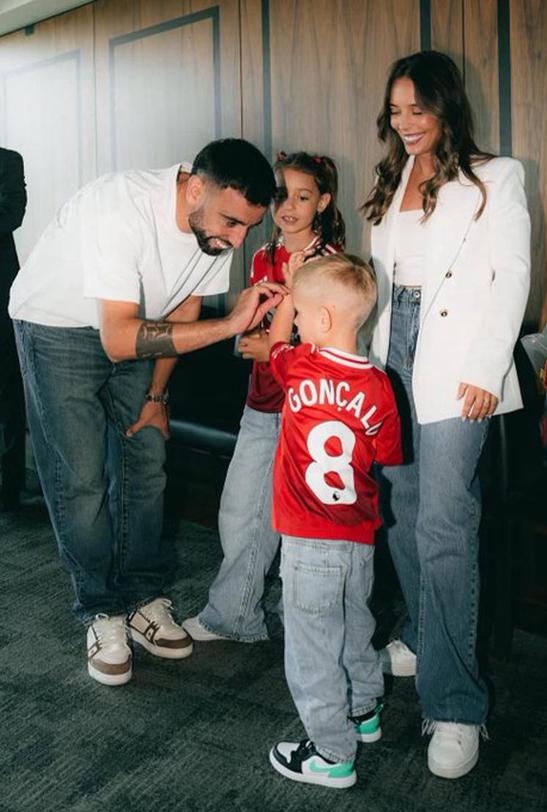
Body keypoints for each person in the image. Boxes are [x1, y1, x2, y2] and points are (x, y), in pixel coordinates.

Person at [9, 138, 285, 686]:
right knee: (81, 477)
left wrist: (157, 398)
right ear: (196, 188)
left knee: (146, 463)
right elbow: (118, 340)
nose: (237, 239)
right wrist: (231, 325)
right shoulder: (121, 207)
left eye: (247, 227)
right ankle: (100, 609)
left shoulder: (214, 227)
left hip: (139, 327)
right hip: (57, 327)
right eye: (232, 223)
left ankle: (141, 598)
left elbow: (183, 307)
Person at [363, 51, 531, 778]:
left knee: (444, 521)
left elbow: (511, 276)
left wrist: (487, 368)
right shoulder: (393, 177)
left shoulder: (496, 177)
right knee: (401, 509)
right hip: (391, 351)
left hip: (459, 362)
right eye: (396, 111)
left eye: (418, 109)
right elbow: (383, 283)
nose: (406, 123)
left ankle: (457, 705)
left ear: (446, 106)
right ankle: (424, 632)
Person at [183, 151, 344, 643]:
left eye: (302, 197)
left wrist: (275, 346)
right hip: (261, 401)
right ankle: (236, 616)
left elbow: (330, 341)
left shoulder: (330, 262)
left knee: (297, 523)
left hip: (305, 410)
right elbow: (249, 327)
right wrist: (248, 343)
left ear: (322, 203)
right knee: (241, 510)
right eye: (281, 196)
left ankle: (298, 624)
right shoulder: (260, 255)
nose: (289, 207)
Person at [266, 254, 402, 789]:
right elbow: (386, 455)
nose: (296, 321)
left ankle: (331, 751)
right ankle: (364, 710)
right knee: (355, 626)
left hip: (307, 539)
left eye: (301, 313)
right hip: (358, 537)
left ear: (322, 319)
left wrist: (285, 293)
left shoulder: (300, 365)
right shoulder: (381, 386)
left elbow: (275, 346)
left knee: (311, 650)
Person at [0, 147, 27, 510]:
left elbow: (12, 214)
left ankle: (10, 485)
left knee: (7, 387)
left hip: (1, 290)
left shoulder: (8, 160)